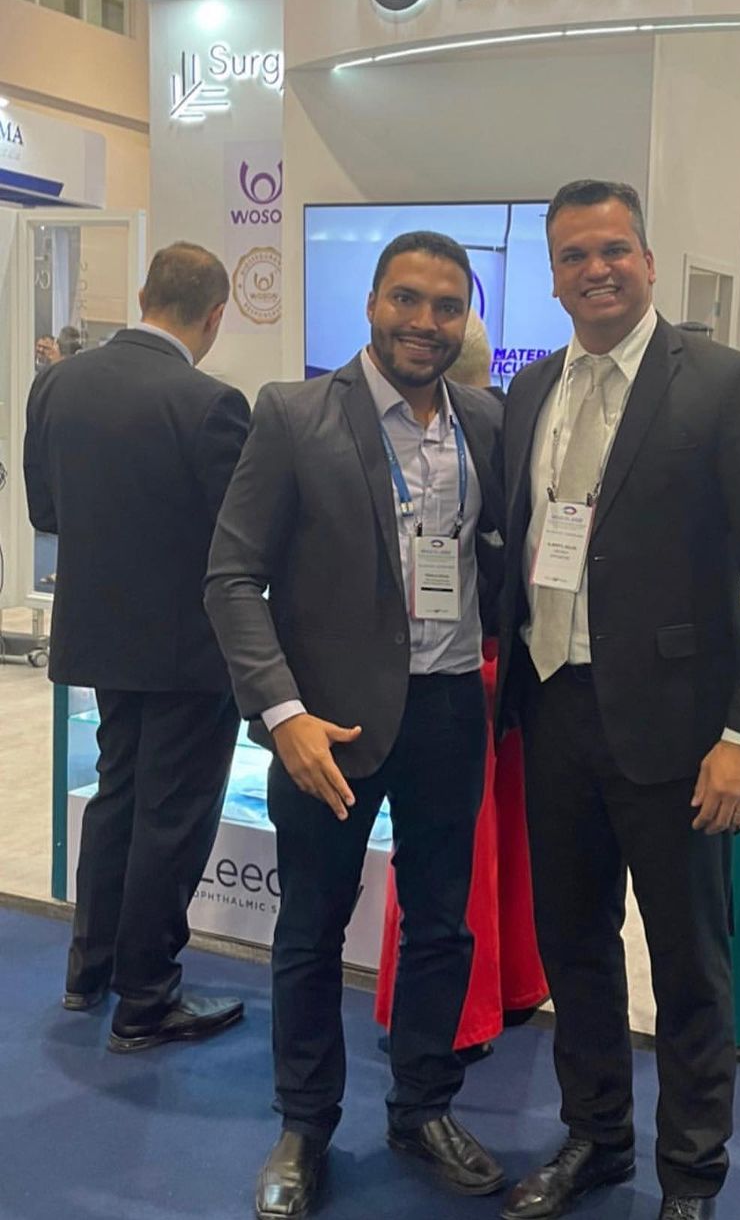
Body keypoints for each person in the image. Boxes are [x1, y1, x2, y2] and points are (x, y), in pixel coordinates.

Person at [495, 180, 740, 1220]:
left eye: (613, 249)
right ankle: (595, 1138)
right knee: (574, 947)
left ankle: (690, 1175)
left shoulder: (716, 384)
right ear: (552, 276)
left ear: (648, 260)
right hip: (552, 710)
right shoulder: (531, 391)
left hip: (681, 731)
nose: (596, 269)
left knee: (688, 963)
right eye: (574, 255)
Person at [204, 231, 506, 1220]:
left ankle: (422, 1108)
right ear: (372, 303)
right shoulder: (295, 415)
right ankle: (304, 1125)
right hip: (326, 723)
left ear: (466, 321)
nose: (426, 323)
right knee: (311, 928)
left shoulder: (487, 421)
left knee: (442, 924)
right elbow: (231, 578)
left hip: (452, 707)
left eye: (447, 307)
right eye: (407, 300)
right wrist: (282, 713)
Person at [22, 242, 250, 1052]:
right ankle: (148, 998)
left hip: (97, 635)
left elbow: (44, 512)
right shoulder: (212, 403)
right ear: (214, 317)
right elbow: (240, 539)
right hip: (190, 649)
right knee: (172, 817)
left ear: (146, 293)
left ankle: (89, 971)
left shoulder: (57, 384)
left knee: (118, 796)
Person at [375, 306, 547, 1060]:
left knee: (458, 869)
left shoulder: (492, 432)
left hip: (478, 673)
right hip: (474, 674)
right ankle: (470, 1008)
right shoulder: (342, 424)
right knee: (462, 863)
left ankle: (463, 1018)